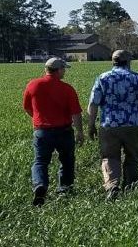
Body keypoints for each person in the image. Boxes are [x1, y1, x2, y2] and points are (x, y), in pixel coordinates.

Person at [88, 50, 138, 200]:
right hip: (134, 125)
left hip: (109, 125)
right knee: (133, 156)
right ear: (128, 61)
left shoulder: (102, 78)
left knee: (110, 157)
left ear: (113, 61)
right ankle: (130, 185)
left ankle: (112, 186)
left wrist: (91, 125)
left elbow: (93, 104)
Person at [22, 58, 85, 207]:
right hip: (64, 131)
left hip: (42, 132)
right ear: (59, 70)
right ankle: (64, 189)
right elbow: (76, 113)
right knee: (67, 161)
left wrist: (38, 119)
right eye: (64, 69)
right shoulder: (67, 89)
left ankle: (40, 185)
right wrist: (80, 132)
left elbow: (27, 108)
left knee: (40, 162)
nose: (65, 72)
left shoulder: (33, 85)